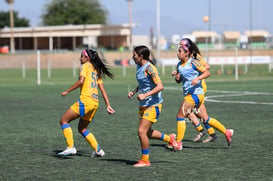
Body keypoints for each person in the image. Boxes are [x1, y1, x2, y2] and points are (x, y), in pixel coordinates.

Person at [170, 41, 234, 151]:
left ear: (187, 53)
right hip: (191, 95)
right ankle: (226, 132)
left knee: (180, 116)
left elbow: (207, 72)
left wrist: (197, 79)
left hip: (195, 95)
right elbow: (180, 80)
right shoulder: (179, 65)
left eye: (180, 51)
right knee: (206, 119)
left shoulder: (193, 62)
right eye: (178, 51)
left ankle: (178, 143)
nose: (177, 53)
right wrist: (177, 77)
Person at [57, 48, 115, 157]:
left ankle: (70, 147)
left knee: (64, 121)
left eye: (81, 56)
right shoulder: (95, 69)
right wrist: (108, 105)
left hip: (86, 100)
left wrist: (67, 91)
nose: (79, 58)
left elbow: (81, 81)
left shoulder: (85, 66)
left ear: (86, 58)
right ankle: (98, 150)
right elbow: (102, 89)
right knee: (82, 129)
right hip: (95, 103)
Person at [128, 45, 177, 167]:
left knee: (141, 132)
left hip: (154, 105)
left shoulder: (150, 68)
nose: (132, 57)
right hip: (143, 105)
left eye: (134, 55)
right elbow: (143, 84)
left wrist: (145, 95)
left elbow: (160, 86)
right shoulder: (139, 67)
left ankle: (145, 160)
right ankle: (170, 139)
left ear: (141, 56)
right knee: (147, 133)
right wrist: (134, 92)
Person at [180, 38, 217, 143]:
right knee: (192, 112)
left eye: (182, 44)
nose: (180, 46)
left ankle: (204, 131)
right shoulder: (184, 57)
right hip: (192, 87)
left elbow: (206, 66)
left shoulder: (195, 56)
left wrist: (198, 76)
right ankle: (209, 132)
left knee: (189, 111)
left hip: (198, 87)